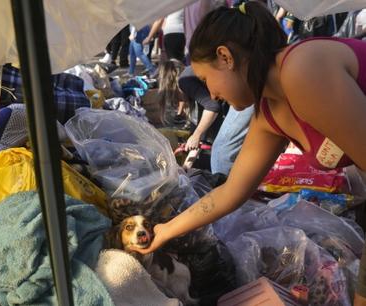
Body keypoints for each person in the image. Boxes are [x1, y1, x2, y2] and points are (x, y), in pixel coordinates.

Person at [132, 2, 366, 304]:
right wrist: (164, 231)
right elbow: (231, 191)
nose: (212, 95)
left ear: (225, 57)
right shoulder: (269, 113)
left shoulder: (301, 69)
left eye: (206, 80)